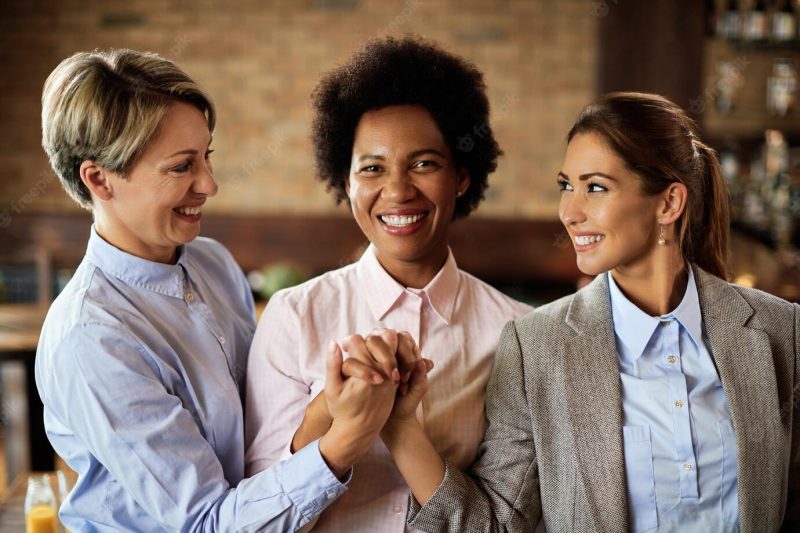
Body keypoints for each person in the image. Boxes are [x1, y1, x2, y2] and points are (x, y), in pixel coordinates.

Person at [377, 92, 800, 532]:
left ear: (669, 203)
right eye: (566, 186)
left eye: (595, 187)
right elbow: (497, 527)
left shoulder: (781, 331)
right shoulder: (535, 347)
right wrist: (402, 427)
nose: (569, 212)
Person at [36, 48, 403, 531]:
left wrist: (327, 407)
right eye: (181, 166)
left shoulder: (211, 261)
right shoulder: (92, 339)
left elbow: (257, 431)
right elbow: (210, 522)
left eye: (206, 157)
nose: (209, 183)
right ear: (99, 179)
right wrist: (346, 442)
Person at [244, 36, 532, 531]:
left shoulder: (519, 333)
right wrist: (329, 413)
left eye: (424, 164)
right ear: (347, 182)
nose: (397, 191)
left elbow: (501, 522)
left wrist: (400, 425)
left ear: (462, 176)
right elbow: (257, 520)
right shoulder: (293, 316)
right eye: (372, 168)